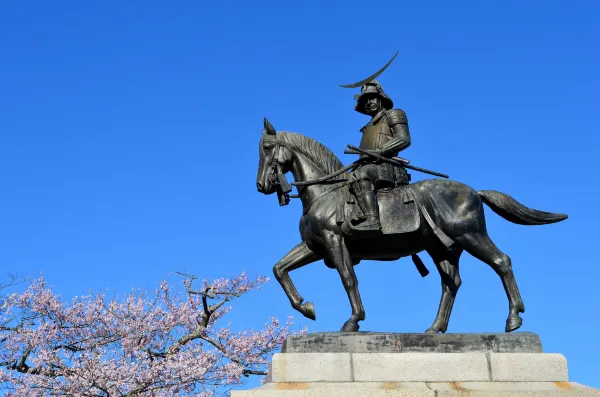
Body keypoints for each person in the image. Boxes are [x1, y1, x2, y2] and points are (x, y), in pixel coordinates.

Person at [346, 80, 411, 235]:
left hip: (387, 168)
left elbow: (404, 139)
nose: (369, 102)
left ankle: (372, 219)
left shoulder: (394, 114)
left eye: (372, 98)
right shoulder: (367, 127)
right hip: (369, 167)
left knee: (362, 175)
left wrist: (380, 151)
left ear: (381, 98)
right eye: (365, 101)